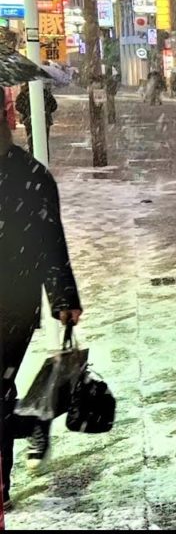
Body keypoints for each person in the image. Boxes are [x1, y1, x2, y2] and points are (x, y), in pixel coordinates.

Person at [0, 87, 82, 512]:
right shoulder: (31, 174)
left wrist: (64, 296)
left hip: (11, 304)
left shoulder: (30, 175)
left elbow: (50, 241)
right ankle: (28, 420)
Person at [15, 82, 58, 158]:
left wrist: (28, 112)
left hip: (30, 122)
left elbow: (18, 106)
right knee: (44, 143)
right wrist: (45, 111)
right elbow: (54, 105)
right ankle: (43, 161)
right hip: (44, 122)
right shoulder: (44, 92)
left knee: (32, 143)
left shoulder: (24, 93)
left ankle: (34, 160)